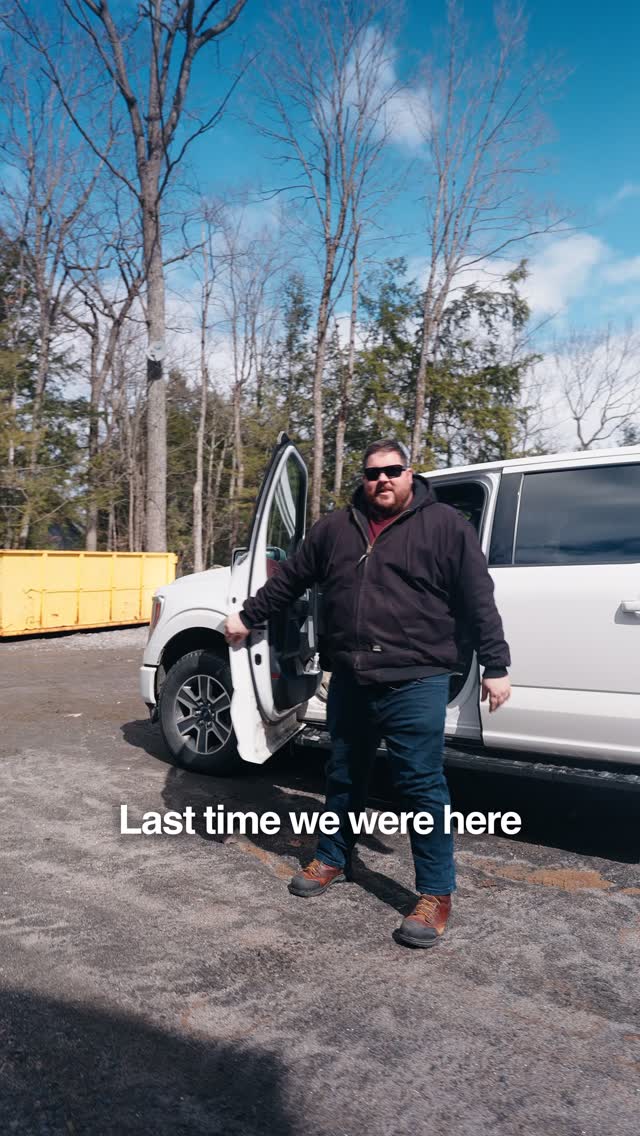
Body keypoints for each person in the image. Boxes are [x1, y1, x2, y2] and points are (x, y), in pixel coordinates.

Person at [224, 439, 511, 948]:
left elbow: (477, 597)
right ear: (363, 478)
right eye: (373, 473)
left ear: (410, 473)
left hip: (416, 677)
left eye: (393, 471)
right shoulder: (335, 528)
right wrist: (248, 617)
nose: (383, 480)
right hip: (352, 677)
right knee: (343, 772)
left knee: (421, 784)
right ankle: (333, 856)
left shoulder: (445, 526)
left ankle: (435, 894)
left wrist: (496, 663)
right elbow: (289, 580)